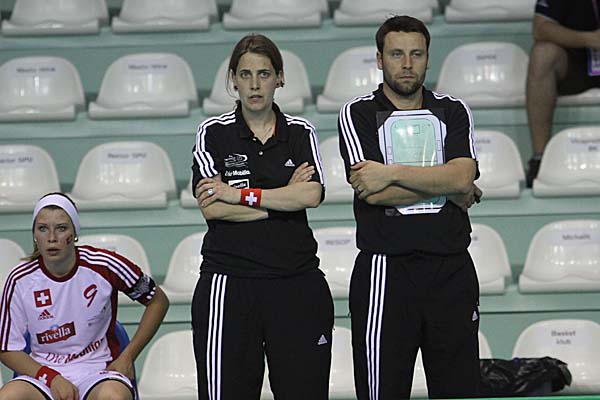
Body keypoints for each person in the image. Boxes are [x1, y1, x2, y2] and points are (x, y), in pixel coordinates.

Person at [337, 15, 482, 399]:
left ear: (428, 59)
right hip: (385, 272)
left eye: (416, 54)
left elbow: (462, 178)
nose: (406, 63)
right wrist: (444, 185)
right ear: (379, 59)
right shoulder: (357, 113)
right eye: (396, 54)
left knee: (460, 391)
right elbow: (373, 193)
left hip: (451, 268)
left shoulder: (453, 111)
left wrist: (391, 173)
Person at [190, 34, 333, 400]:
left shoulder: (300, 132)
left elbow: (310, 195)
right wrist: (283, 197)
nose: (254, 85)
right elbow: (212, 207)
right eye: (245, 74)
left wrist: (239, 195)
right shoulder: (213, 133)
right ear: (233, 80)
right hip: (229, 285)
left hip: (297, 284)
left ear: (279, 78)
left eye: (264, 74)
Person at [0, 192, 170, 400]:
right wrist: (52, 378)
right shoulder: (19, 279)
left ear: (75, 232)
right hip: (43, 374)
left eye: (61, 228)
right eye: (43, 229)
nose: (52, 238)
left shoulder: (105, 265)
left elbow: (158, 301)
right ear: (34, 234)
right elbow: (7, 349)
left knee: (114, 396)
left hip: (98, 371)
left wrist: (127, 357)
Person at [526, 0, 600, 187]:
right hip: (577, 63)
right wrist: (589, 39)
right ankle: (540, 160)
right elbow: (540, 28)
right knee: (542, 54)